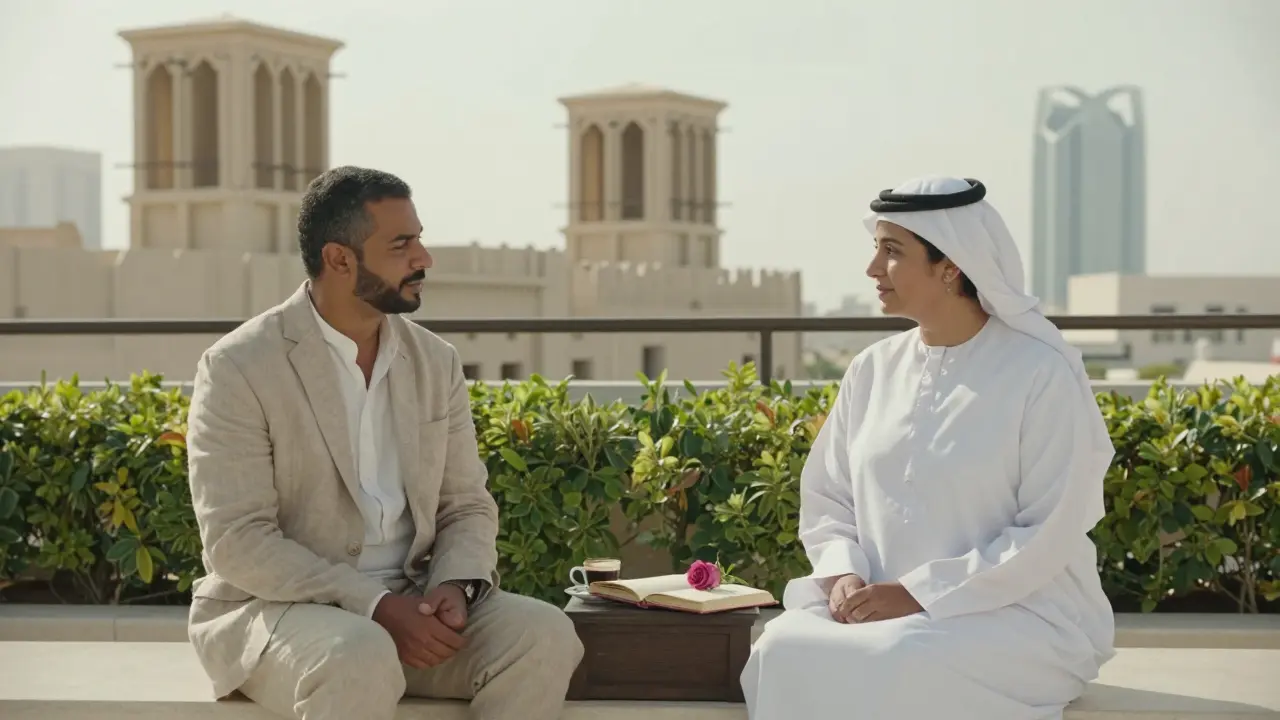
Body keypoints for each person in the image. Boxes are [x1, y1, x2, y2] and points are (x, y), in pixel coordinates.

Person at [184, 166, 584, 720]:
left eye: (418, 238)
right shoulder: (238, 367)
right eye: (402, 244)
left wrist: (455, 585)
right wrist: (374, 606)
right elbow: (237, 541)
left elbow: (466, 504)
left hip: (416, 603)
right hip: (280, 612)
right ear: (340, 259)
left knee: (544, 635)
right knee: (358, 653)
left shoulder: (434, 362)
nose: (424, 258)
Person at [741, 176, 1116, 719]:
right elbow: (828, 496)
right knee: (780, 649)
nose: (873, 269)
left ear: (951, 266)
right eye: (875, 249)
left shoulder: (1040, 373)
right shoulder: (872, 369)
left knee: (897, 659)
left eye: (891, 252)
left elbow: (1049, 532)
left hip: (1020, 615)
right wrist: (845, 573)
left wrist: (917, 593)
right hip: (875, 610)